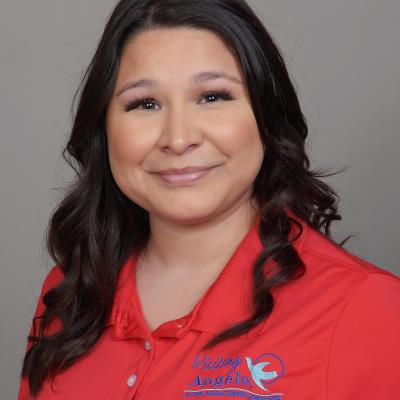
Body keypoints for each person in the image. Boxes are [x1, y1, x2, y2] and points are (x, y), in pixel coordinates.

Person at [17, 0, 400, 399]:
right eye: (145, 103)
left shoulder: (366, 310)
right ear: (103, 127)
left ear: (266, 114)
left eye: (213, 97)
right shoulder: (71, 291)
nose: (178, 138)